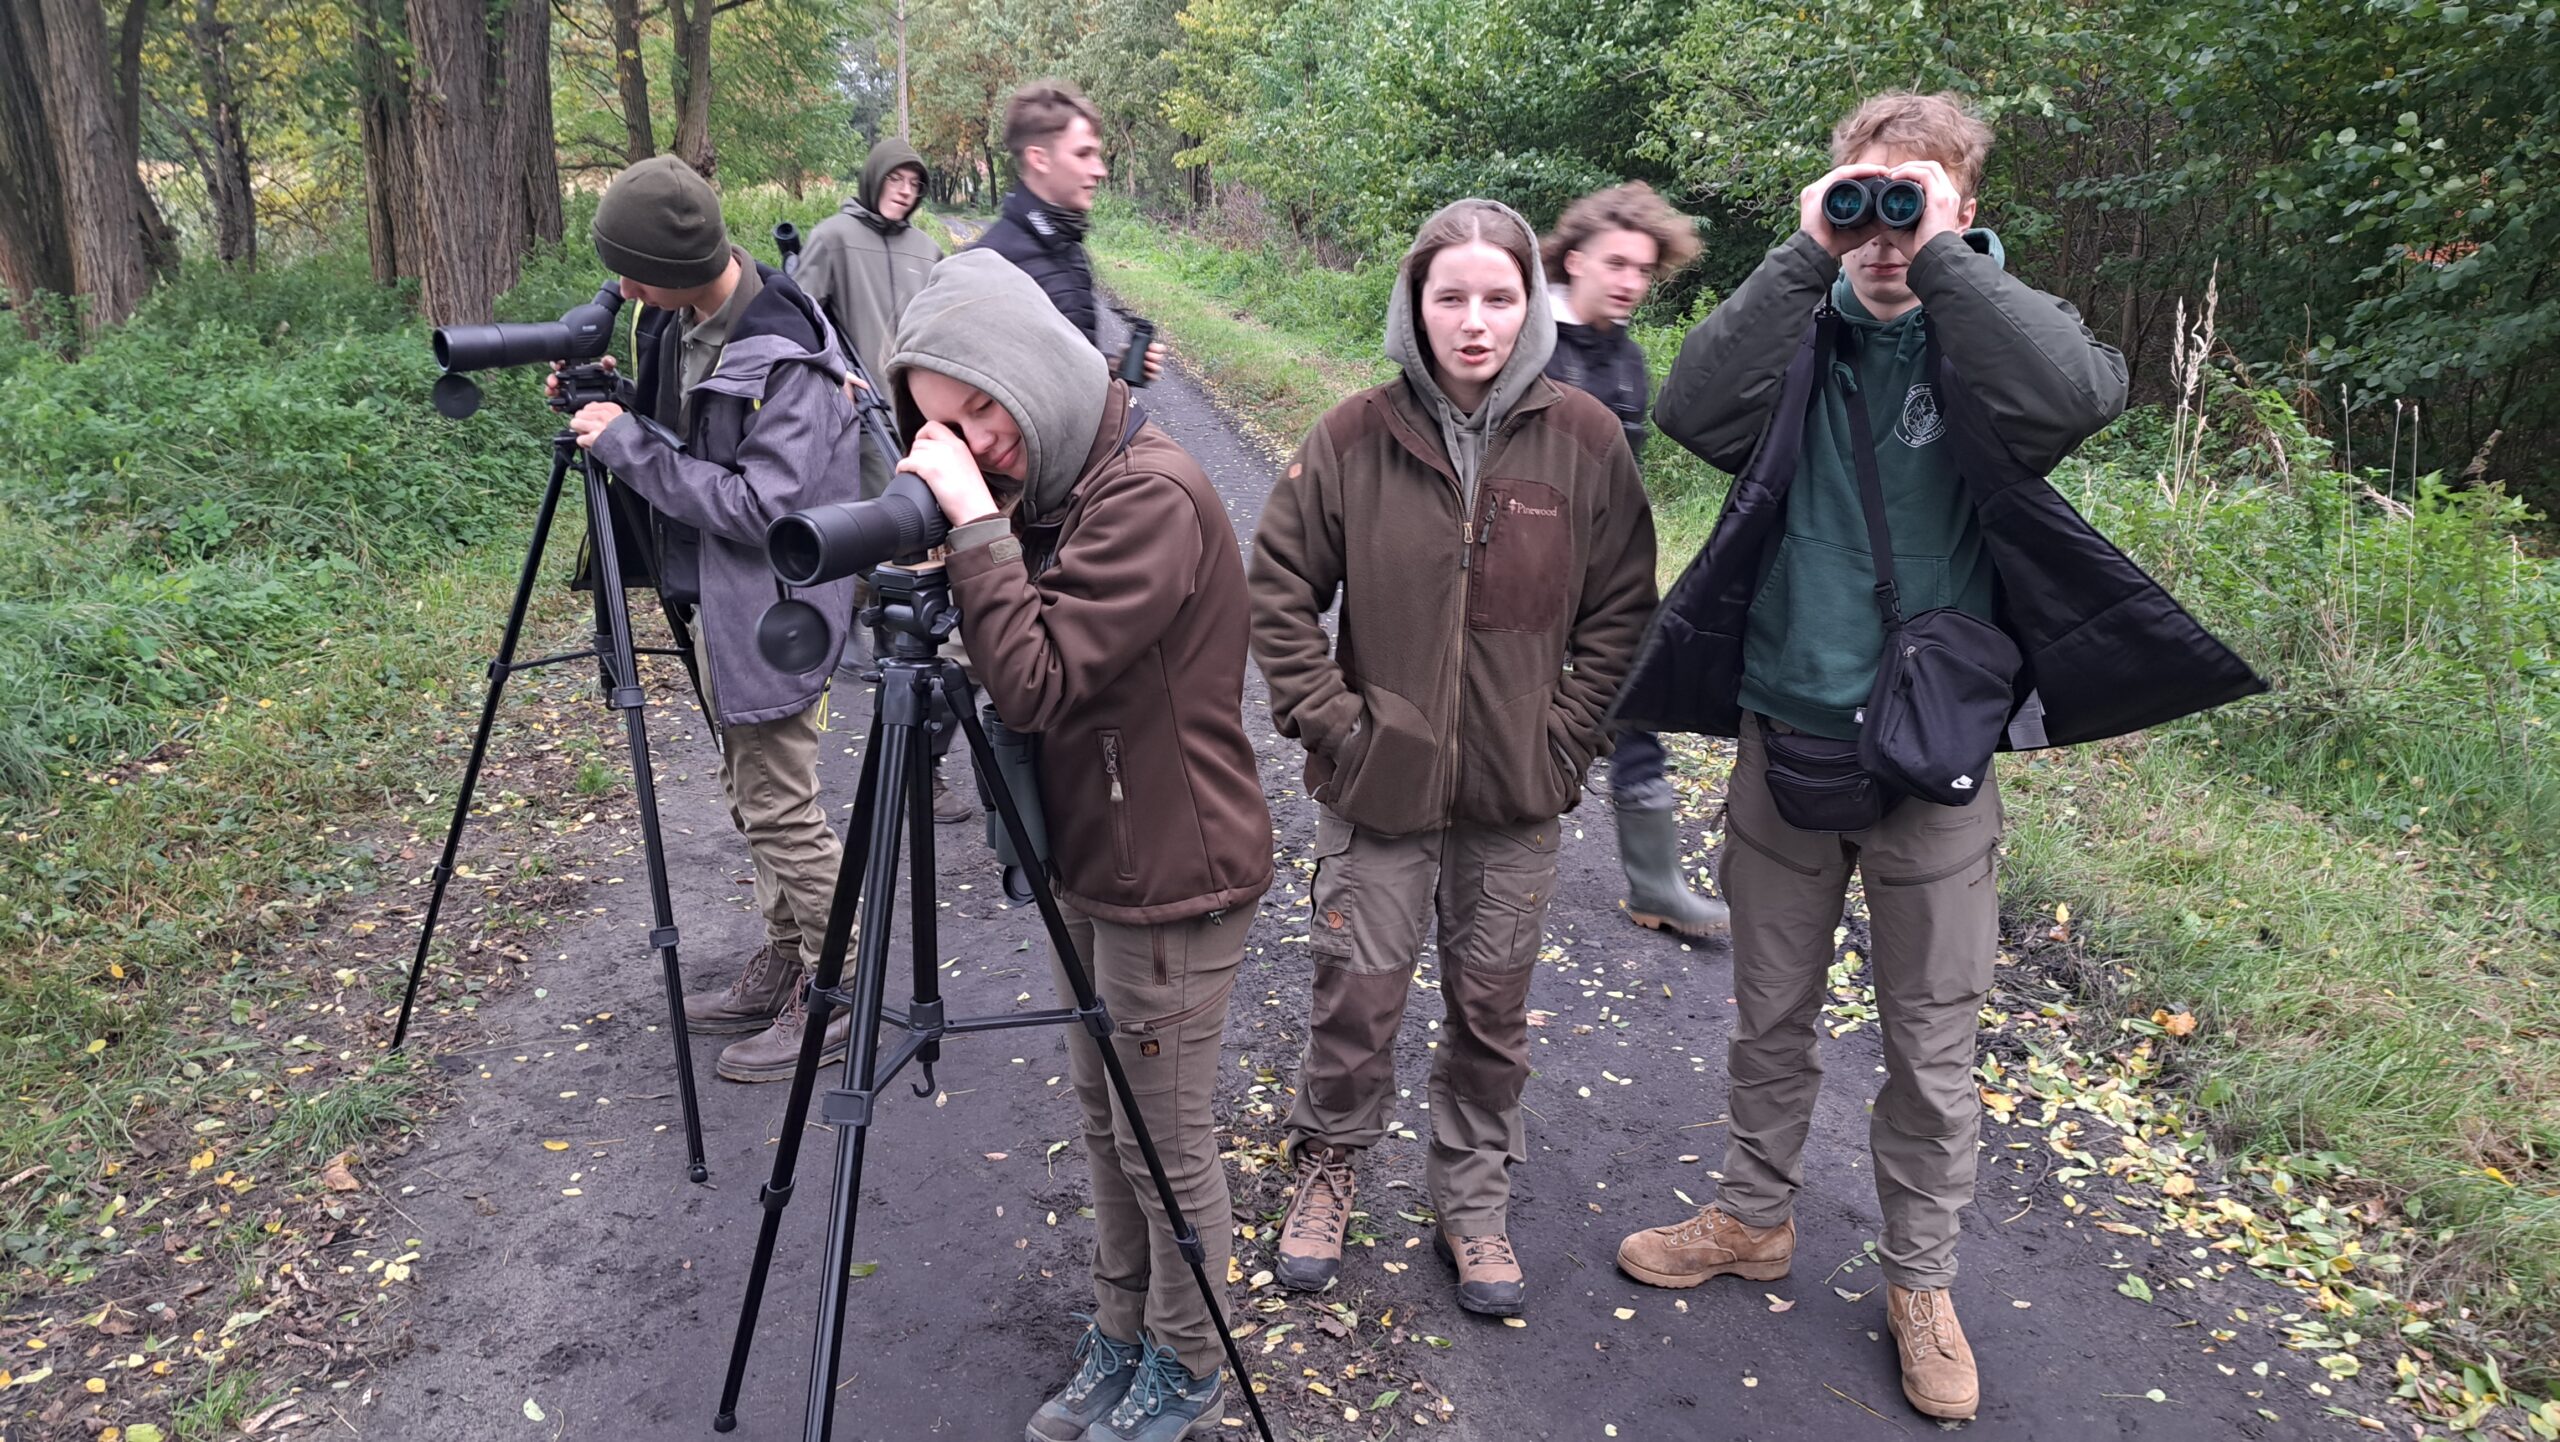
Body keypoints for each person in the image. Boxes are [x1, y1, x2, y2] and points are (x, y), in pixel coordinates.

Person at [1607, 94, 2260, 1421]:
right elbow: (1691, 407)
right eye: (1863, 197)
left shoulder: (1989, 340)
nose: (1884, 229)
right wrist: (1808, 249)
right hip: (1786, 734)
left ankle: (1919, 1281)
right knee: (1768, 1012)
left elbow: (2082, 395)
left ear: (1964, 209)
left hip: (1934, 758)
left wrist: (1944, 258)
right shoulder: (1804, 331)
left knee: (1931, 1046)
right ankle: (1751, 1215)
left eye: (1913, 199)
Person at [887, 249, 1273, 1442]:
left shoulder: (1147, 495)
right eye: (947, 431)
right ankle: (1123, 1330)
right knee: (1107, 1126)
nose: (980, 443)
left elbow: (1036, 681)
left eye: (983, 409)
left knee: (1164, 1143)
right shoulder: (1059, 484)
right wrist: (970, 533)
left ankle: (1189, 1364)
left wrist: (973, 527)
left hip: (1173, 876)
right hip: (1096, 858)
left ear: (1033, 369)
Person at [1249, 199, 1658, 1319]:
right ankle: (1329, 1165)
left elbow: (1622, 610)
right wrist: (1337, 727)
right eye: (1451, 297)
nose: (1474, 322)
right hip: (1376, 790)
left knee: (1491, 1011)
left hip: (1515, 796)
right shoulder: (1353, 437)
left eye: (1498, 297)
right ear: (1414, 306)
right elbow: (1278, 592)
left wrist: (1566, 734)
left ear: (1531, 306)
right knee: (1355, 996)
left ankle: (1472, 1195)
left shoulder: (1587, 440)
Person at [558, 155, 868, 1084]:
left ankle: (841, 986)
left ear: (674, 268)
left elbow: (761, 506)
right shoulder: (678, 320)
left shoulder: (788, 360)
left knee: (779, 804)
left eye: (632, 273)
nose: (621, 290)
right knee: (748, 793)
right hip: (715, 598)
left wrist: (624, 445)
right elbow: (687, 440)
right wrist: (613, 406)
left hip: (776, 612)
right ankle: (789, 955)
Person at [1537, 182, 1726, 945]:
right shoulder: (1524, 340)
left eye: (1643, 270)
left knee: (1637, 708)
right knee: (1504, 716)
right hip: (1516, 576)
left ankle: (1656, 887)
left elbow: (1625, 484)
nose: (1630, 282)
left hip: (1605, 578)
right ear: (1574, 259)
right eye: (1616, 263)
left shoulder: (1626, 361)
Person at [794, 137, 975, 823]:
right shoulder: (833, 237)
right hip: (861, 416)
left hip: (921, 417)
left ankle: (877, 624)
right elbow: (800, 320)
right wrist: (830, 373)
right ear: (873, 178)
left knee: (922, 539)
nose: (905, 189)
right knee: (887, 533)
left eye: (914, 181)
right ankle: (871, 638)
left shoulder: (928, 250)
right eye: (895, 178)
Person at [971, 79, 1163, 382]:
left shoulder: (1067, 246)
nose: (1100, 170)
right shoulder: (985, 264)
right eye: (1083, 154)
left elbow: (1062, 370)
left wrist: (1117, 367)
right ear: (1039, 159)